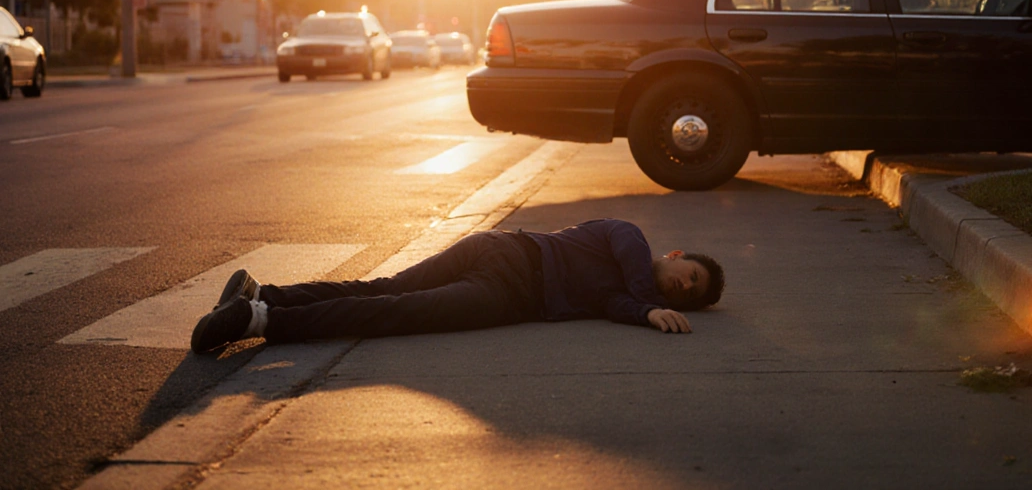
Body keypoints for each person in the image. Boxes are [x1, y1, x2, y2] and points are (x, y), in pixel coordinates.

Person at [191, 218, 725, 354]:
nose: (683, 289)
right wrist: (649, 308)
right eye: (691, 277)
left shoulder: (628, 297)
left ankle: (265, 299)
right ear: (676, 255)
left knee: (391, 300)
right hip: (506, 259)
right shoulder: (630, 239)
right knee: (390, 300)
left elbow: (615, 302)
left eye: (690, 297)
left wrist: (641, 313)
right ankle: (263, 320)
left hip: (507, 292)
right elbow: (634, 276)